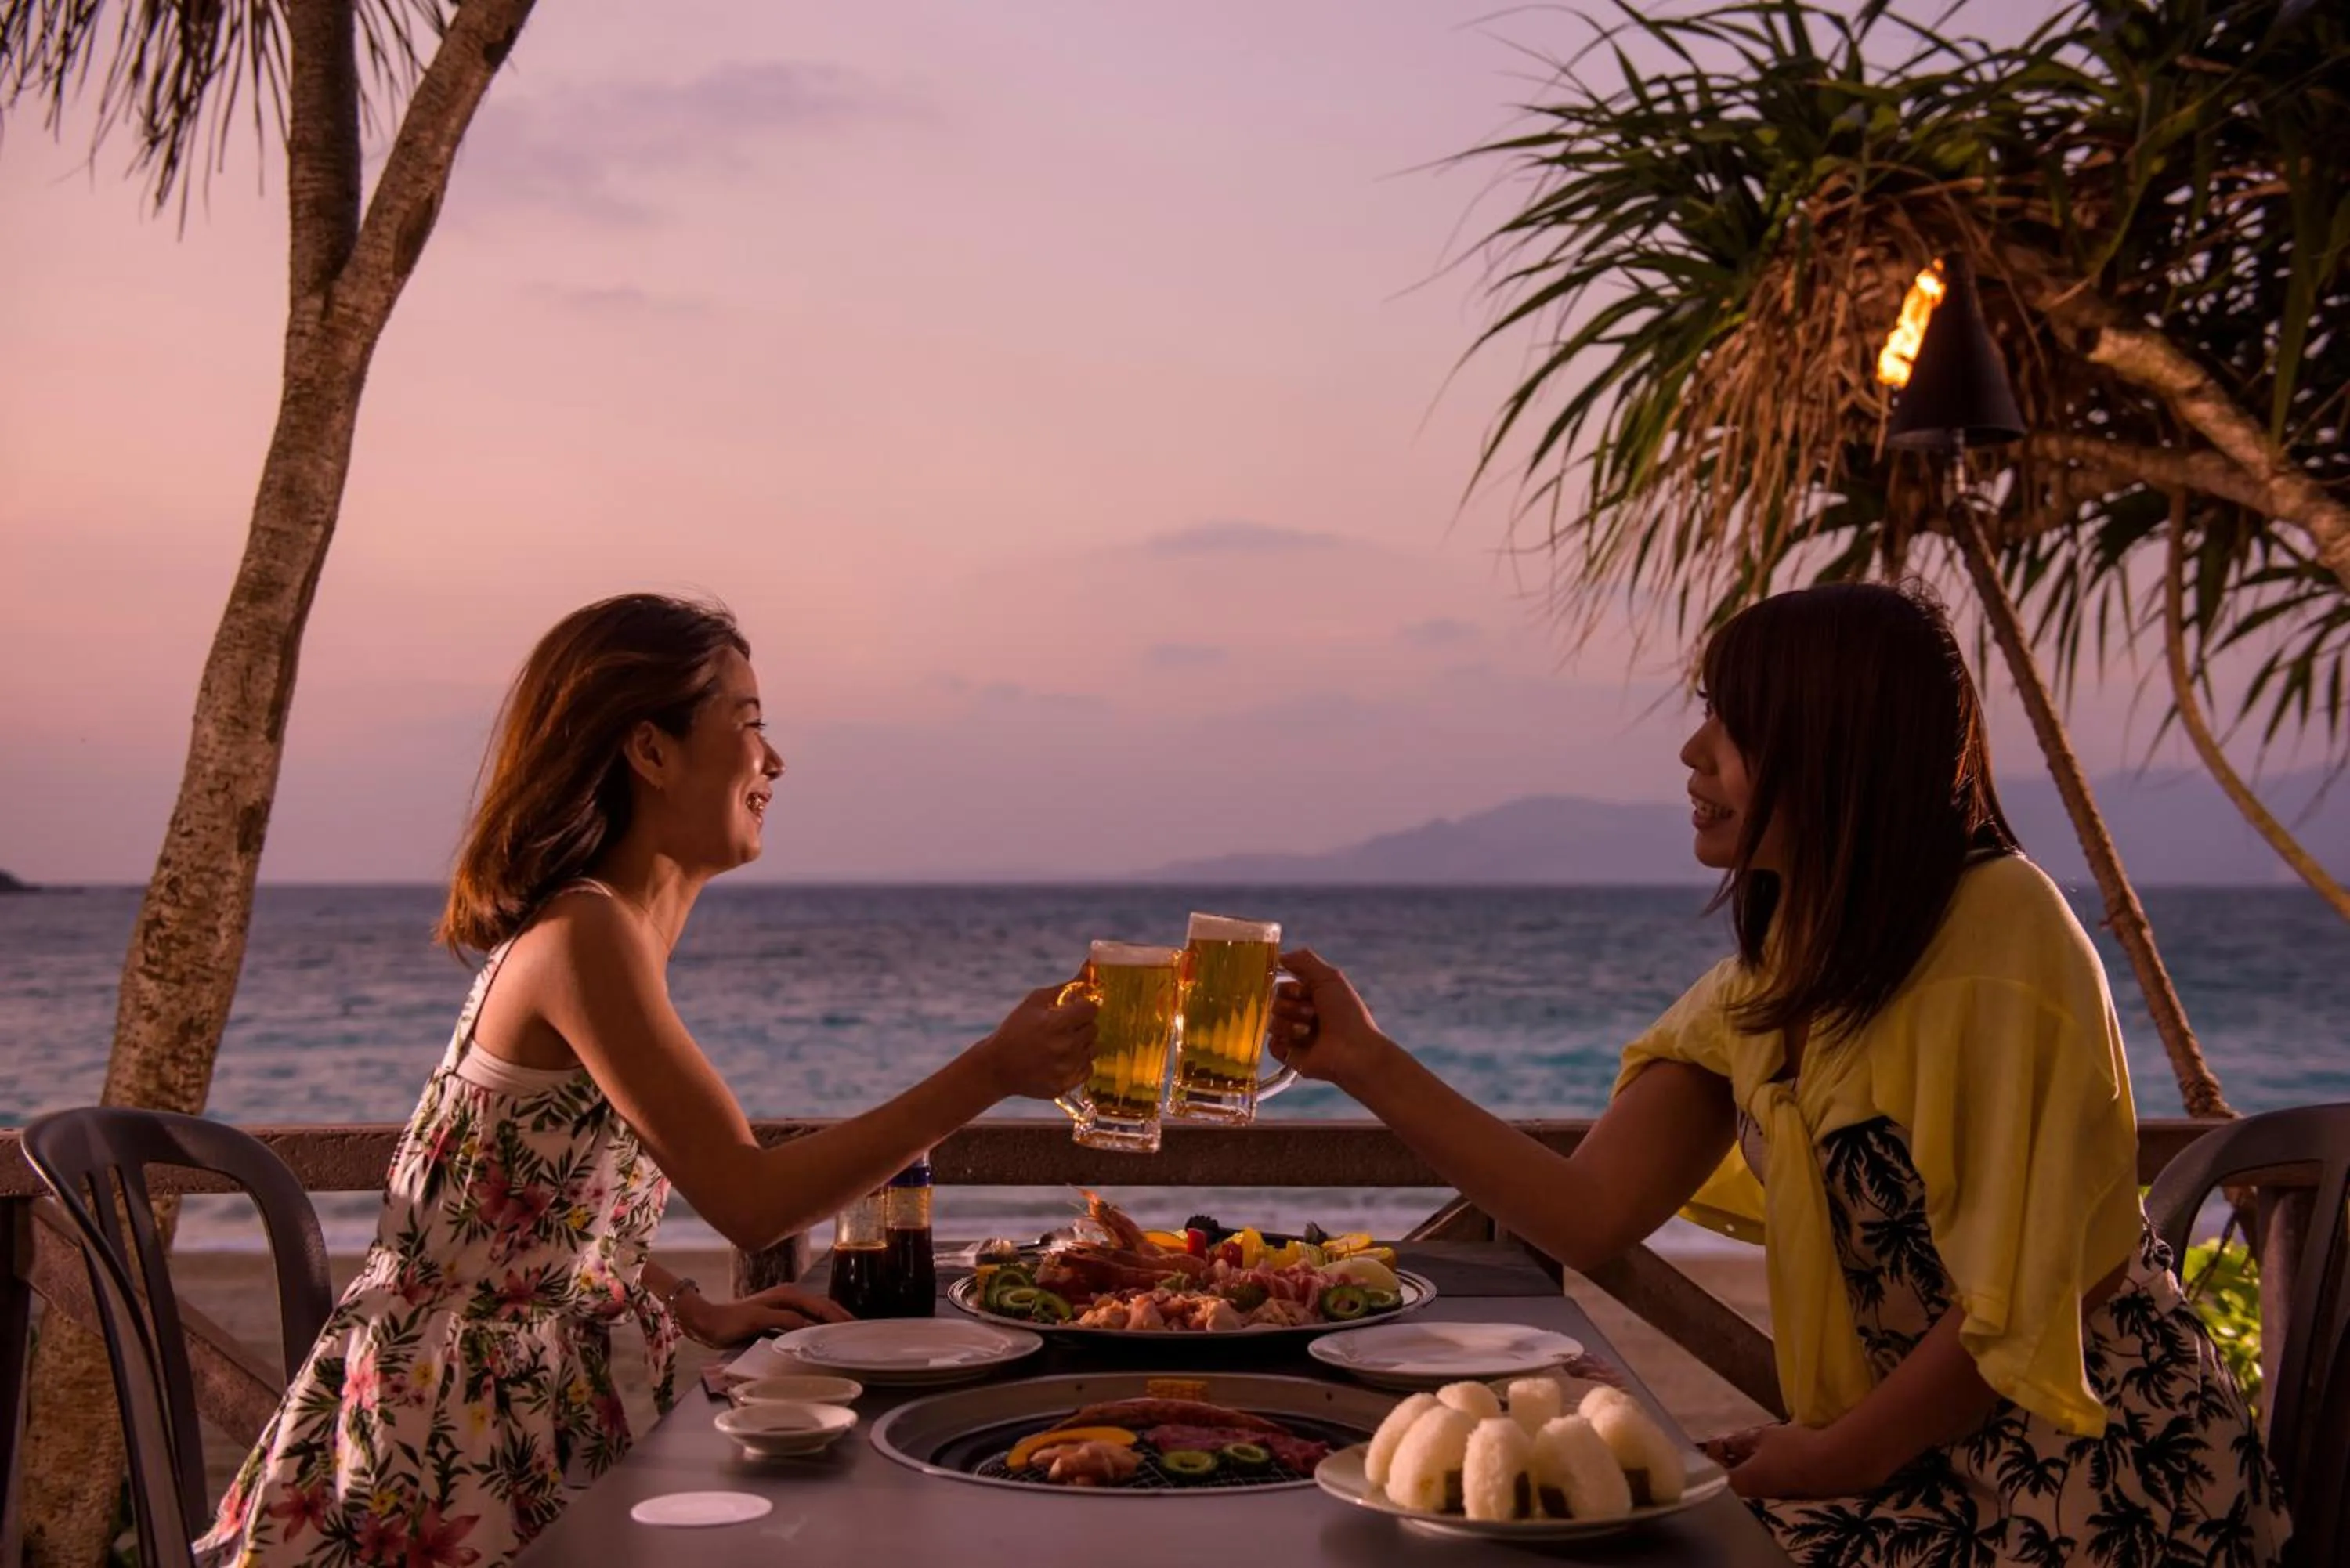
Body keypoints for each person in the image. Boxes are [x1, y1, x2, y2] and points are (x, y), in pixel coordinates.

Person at [1271, 582, 2290, 1566]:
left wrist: (1836, 1454)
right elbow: (1585, 1211)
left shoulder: (2003, 934)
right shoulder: (1778, 981)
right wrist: (1361, 1058)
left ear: (1839, 750)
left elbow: (2025, 1298)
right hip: (1912, 1467)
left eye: (1732, 723)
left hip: (2102, 1480)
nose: (1691, 751)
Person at [198, 594, 1097, 1568]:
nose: (775, 759)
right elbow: (752, 1202)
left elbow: (518, 1219)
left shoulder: (598, 932)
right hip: (445, 1435)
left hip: (491, 1400)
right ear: (651, 750)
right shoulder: (584, 935)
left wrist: (682, 1300)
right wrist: (992, 1070)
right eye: (748, 722)